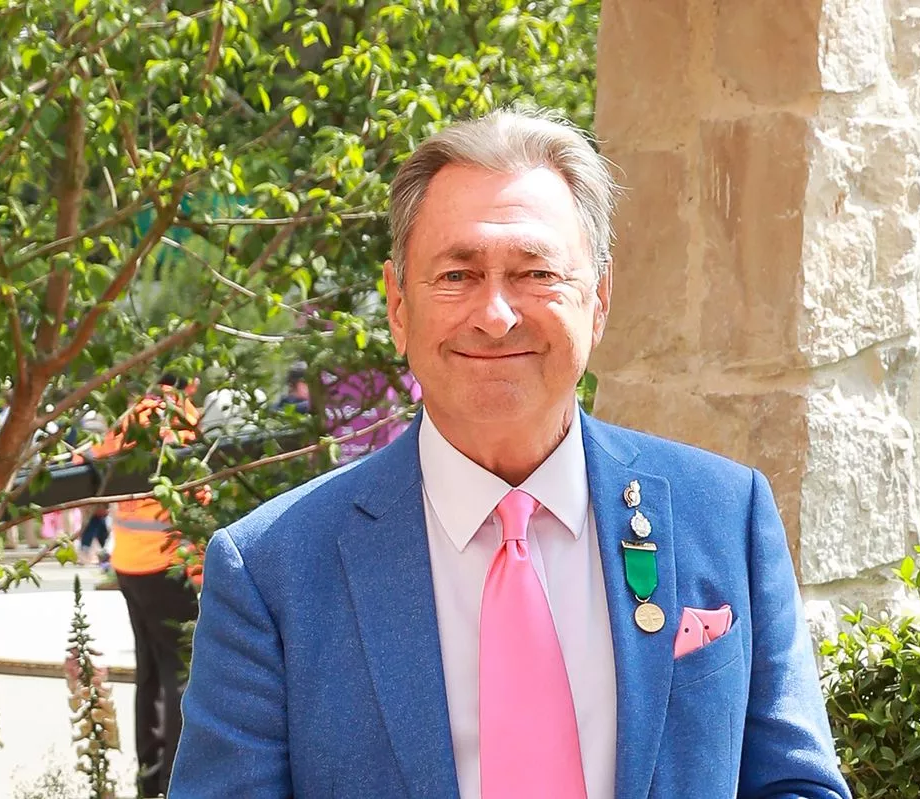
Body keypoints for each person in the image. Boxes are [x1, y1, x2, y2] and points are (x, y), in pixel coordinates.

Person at [171, 110, 851, 799]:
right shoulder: (272, 571)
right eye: (457, 274)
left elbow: (796, 784)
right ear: (398, 305)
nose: (496, 314)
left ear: (600, 299)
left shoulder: (726, 516)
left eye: (535, 272)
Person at [92, 373, 203, 798]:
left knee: (151, 673)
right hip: (166, 565)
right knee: (180, 674)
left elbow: (94, 463)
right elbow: (197, 494)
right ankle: (175, 780)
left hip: (128, 565)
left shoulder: (130, 417)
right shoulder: (181, 419)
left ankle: (149, 779)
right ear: (188, 385)